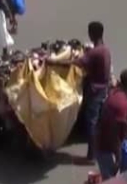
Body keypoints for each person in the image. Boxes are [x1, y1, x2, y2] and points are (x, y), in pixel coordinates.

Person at [48, 21, 112, 162]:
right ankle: (96, 151)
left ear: (92, 34)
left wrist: (54, 62)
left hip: (95, 91)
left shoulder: (94, 53)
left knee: (91, 123)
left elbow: (74, 63)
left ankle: (91, 156)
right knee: (95, 121)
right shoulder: (105, 49)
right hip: (103, 89)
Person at [95, 69, 127, 180]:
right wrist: (119, 159)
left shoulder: (116, 93)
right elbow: (115, 136)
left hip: (103, 142)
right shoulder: (122, 105)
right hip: (107, 149)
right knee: (111, 181)